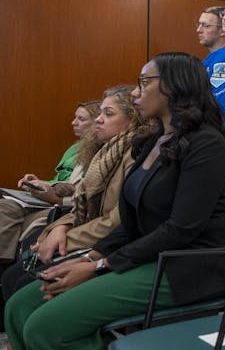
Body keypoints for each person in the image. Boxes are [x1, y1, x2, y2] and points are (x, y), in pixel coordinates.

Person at [5, 52, 225, 350]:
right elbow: (132, 221)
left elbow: (180, 230)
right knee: (19, 307)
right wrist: (92, 254)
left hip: (191, 266)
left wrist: (95, 267)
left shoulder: (208, 144)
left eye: (143, 81)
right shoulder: (151, 142)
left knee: (45, 327)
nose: (136, 91)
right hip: (151, 252)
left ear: (172, 87)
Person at [1, 87, 148, 313]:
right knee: (13, 275)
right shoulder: (105, 152)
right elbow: (83, 201)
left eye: (108, 114)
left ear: (132, 119)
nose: (99, 120)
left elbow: (117, 220)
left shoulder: (136, 155)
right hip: (85, 230)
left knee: (23, 283)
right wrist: (60, 228)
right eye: (100, 113)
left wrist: (67, 237)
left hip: (107, 243)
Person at [0, 100, 100, 266]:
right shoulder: (75, 148)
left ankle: (6, 266)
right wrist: (39, 183)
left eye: (81, 119)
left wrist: (55, 194)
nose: (73, 123)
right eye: (75, 118)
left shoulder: (100, 153)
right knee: (6, 205)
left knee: (16, 216)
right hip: (50, 196)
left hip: (65, 205)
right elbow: (58, 180)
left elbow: (82, 191)